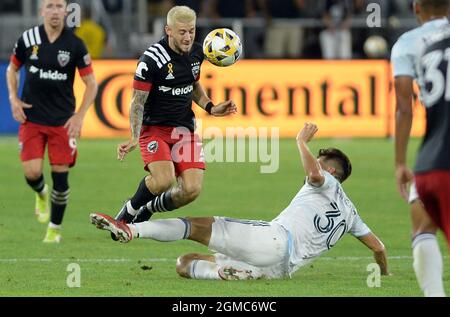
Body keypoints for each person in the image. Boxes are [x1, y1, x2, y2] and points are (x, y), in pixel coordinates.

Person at [90, 123, 389, 281]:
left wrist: (300, 141)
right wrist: (384, 273)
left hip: (274, 240)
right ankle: (225, 274)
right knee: (184, 263)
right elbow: (379, 248)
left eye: (321, 160)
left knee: (194, 225)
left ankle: (132, 229)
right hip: (279, 270)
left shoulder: (327, 181)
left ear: (331, 170)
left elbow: (313, 172)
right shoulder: (350, 213)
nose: (315, 163)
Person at [109, 6, 237, 237]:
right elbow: (137, 102)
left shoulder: (197, 53)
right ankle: (127, 213)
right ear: (168, 30)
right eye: (182, 32)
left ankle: (148, 207)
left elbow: (193, 85)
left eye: (191, 31)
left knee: (192, 190)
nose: (188, 37)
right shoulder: (151, 60)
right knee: (163, 181)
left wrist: (211, 106)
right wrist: (134, 136)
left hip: (184, 130)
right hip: (154, 130)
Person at [6, 0, 98, 243]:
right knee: (32, 172)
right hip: (32, 118)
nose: (55, 11)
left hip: (62, 121)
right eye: (50, 6)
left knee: (61, 178)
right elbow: (12, 70)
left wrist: (79, 115)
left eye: (59, 6)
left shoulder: (75, 44)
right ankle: (40, 193)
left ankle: (54, 229)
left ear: (66, 11)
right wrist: (13, 98)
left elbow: (91, 83)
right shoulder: (28, 39)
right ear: (42, 11)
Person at [392, 0, 448, 297]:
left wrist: (400, 162)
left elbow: (404, 105)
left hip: (432, 161)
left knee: (422, 226)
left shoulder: (408, 43)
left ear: (416, 8)